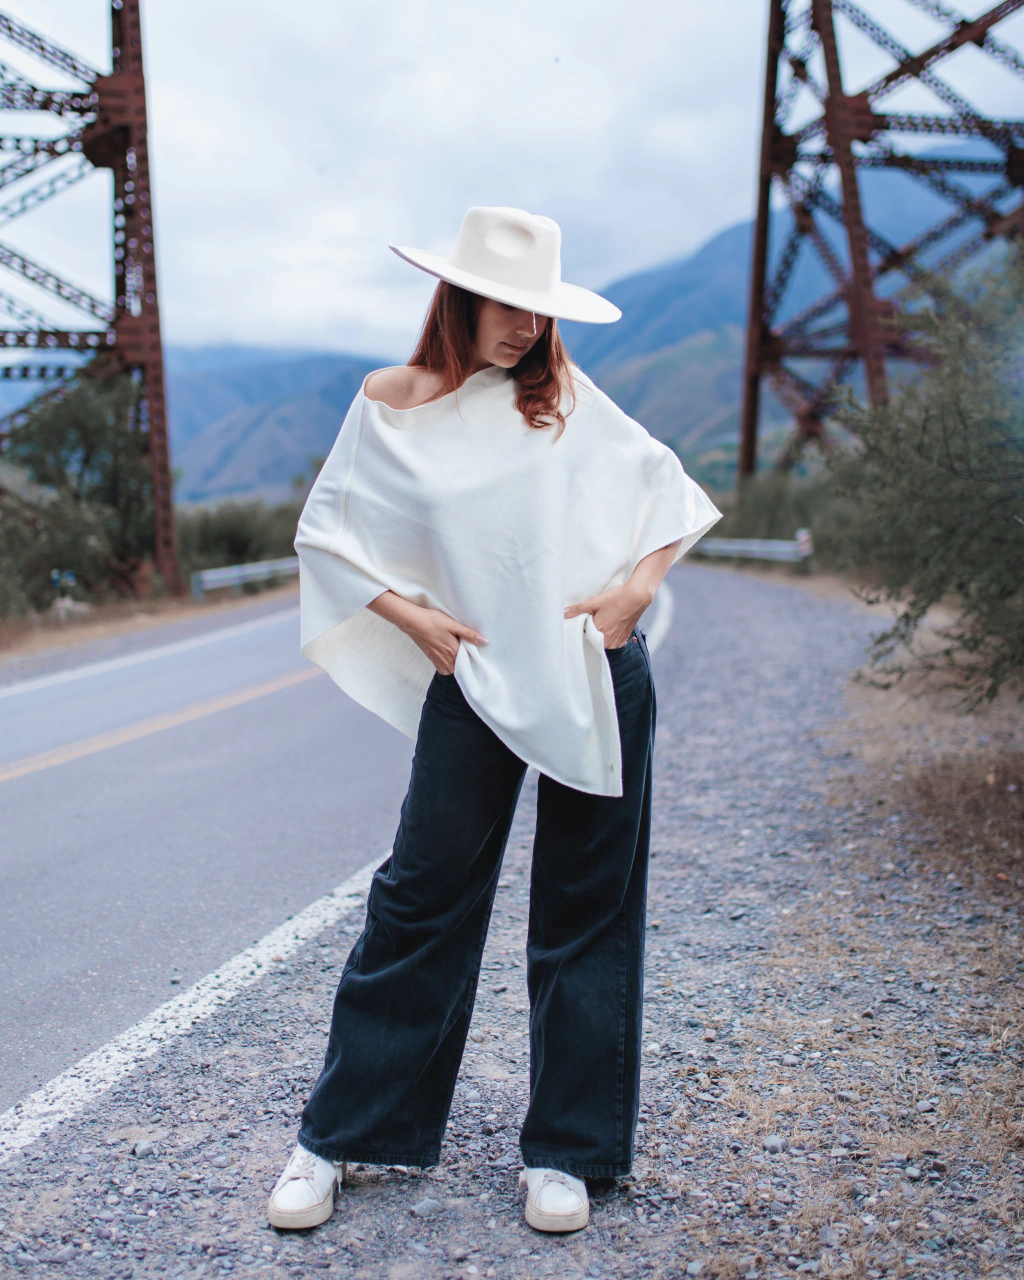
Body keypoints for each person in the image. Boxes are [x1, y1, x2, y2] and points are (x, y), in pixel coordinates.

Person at [267, 206, 720, 1234]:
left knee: (585, 908)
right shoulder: (389, 403)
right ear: (460, 298)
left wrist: (635, 593)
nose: (526, 326)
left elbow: (667, 489)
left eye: (539, 309)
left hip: (593, 669)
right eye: (509, 305)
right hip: (473, 678)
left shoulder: (559, 397)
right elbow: (327, 534)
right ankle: (335, 1136)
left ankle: (567, 1152)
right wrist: (411, 615)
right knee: (418, 897)